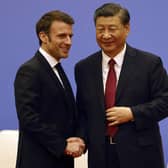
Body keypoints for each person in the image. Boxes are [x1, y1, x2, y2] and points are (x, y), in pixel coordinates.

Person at [75, 3, 168, 168]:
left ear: (127, 28)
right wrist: (81, 138)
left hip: (141, 155)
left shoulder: (149, 63)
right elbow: (83, 111)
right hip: (100, 156)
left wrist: (132, 113)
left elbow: (165, 102)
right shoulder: (84, 68)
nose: (105, 35)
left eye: (112, 29)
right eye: (100, 29)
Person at [14, 10, 85, 168]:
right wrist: (62, 145)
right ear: (43, 37)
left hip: (61, 161)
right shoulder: (30, 70)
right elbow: (29, 118)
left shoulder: (57, 68)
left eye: (70, 36)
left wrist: (79, 138)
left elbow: (69, 114)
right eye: (62, 36)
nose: (68, 42)